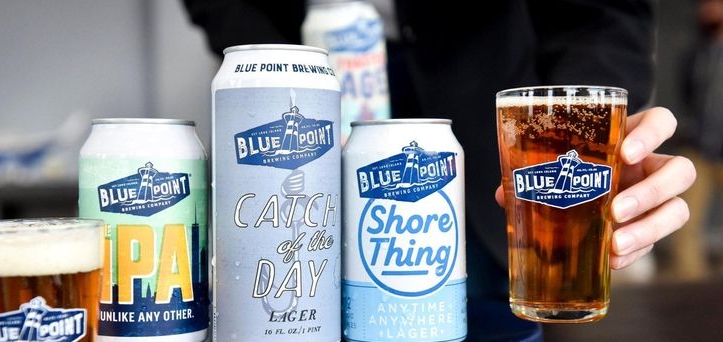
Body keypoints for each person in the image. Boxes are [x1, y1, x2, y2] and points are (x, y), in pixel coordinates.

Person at [183, 0, 695, 293]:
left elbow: (603, 14)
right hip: (303, 73)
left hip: (486, 112)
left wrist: (581, 142)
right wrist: (267, 64)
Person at [671, 0, 723, 280]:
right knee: (685, 220)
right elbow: (688, 95)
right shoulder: (695, 52)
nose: (709, 11)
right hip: (699, 146)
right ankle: (689, 286)